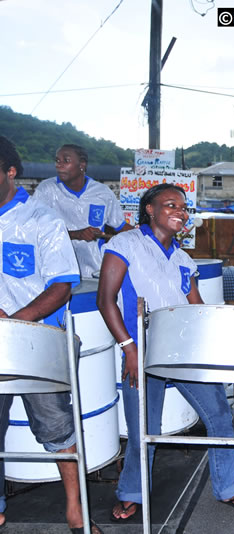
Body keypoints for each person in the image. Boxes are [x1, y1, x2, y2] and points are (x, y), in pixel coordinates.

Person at [96, 183, 234, 522]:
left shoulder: (184, 259)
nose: (180, 211)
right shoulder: (125, 244)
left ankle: (228, 487)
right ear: (150, 210)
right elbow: (105, 299)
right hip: (139, 350)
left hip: (181, 352)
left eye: (184, 207)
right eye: (170, 204)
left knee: (219, 416)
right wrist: (128, 348)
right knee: (145, 426)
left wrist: (215, 344)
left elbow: (194, 307)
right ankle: (132, 493)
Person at [0, 135, 102, 533]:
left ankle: (76, 510)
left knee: (58, 430)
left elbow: (61, 286)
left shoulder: (42, 220)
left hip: (34, 341)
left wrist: (14, 321)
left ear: (10, 172)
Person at [33, 144, 133, 278]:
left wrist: (146, 235)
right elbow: (34, 231)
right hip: (57, 271)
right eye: (57, 160)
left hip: (94, 272)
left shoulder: (102, 193)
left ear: (82, 164)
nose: (59, 165)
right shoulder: (46, 190)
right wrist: (76, 234)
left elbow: (120, 226)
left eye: (66, 160)